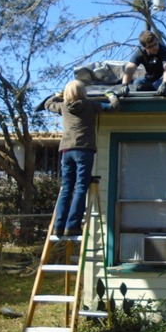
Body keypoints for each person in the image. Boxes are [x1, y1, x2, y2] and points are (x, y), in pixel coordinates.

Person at [44, 80, 121, 236]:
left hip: (66, 150)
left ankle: (59, 226)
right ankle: (72, 226)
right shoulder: (90, 105)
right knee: (80, 188)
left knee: (66, 189)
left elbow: (47, 103)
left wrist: (58, 94)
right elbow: (114, 107)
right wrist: (111, 95)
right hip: (84, 150)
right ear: (83, 92)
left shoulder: (62, 107)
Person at [119, 30, 166, 96]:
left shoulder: (165, 51)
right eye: (150, 46)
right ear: (144, 47)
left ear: (157, 40)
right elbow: (130, 68)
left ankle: (156, 88)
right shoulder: (140, 53)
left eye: (155, 44)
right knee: (137, 82)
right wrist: (124, 85)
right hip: (157, 77)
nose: (155, 48)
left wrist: (165, 83)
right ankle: (154, 88)